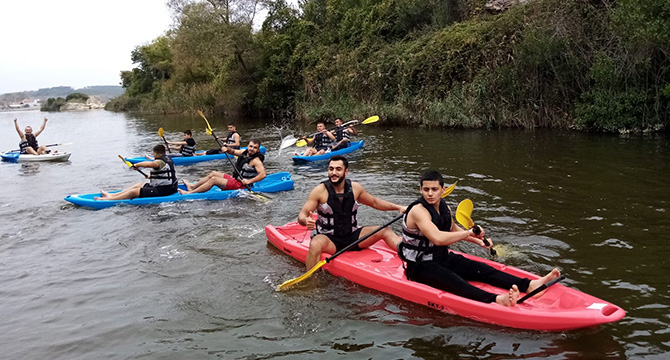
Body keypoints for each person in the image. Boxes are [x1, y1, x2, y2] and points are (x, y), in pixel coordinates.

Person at [398, 170, 561, 306]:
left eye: (434, 189)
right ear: (420, 190)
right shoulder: (418, 211)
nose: (430, 193)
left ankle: (530, 285)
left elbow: (453, 230)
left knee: (483, 269)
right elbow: (438, 238)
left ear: (443, 189)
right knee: (456, 282)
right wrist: (469, 233)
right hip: (420, 267)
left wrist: (478, 240)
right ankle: (497, 300)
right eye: (426, 189)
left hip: (443, 258)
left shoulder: (444, 207)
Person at [298, 155, 405, 270]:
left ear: (346, 171)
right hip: (330, 239)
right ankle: (311, 282)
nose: (334, 172)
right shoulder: (319, 191)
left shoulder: (355, 188)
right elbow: (302, 215)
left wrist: (398, 207)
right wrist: (306, 220)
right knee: (315, 243)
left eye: (338, 169)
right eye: (331, 169)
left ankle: (407, 252)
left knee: (385, 230)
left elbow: (374, 202)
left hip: (353, 236)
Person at [179, 139, 266, 194]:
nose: (252, 149)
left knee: (214, 180)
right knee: (213, 173)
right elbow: (233, 152)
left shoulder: (256, 160)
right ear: (248, 146)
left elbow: (263, 174)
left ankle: (191, 193)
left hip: (241, 185)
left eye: (255, 148)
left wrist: (249, 181)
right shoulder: (244, 152)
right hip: (235, 179)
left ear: (258, 150)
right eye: (251, 146)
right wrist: (227, 149)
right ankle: (192, 186)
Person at [95, 145, 178, 200]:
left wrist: (137, 165)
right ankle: (113, 195)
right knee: (139, 184)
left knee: (134, 192)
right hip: (164, 187)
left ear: (155, 154)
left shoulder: (159, 162)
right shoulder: (166, 159)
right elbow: (164, 174)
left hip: (165, 190)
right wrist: (150, 176)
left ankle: (109, 199)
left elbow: (150, 164)